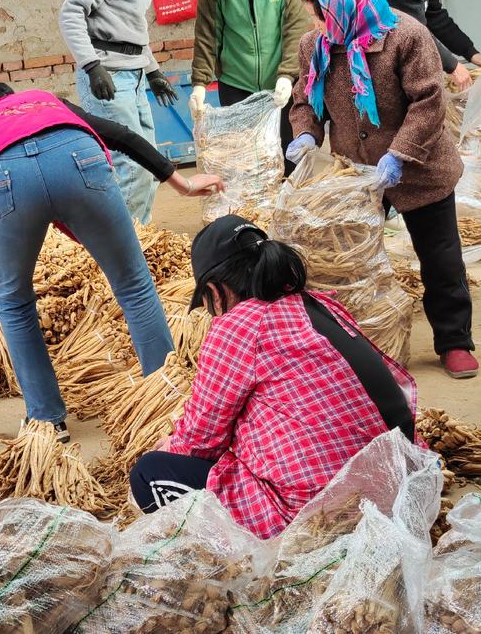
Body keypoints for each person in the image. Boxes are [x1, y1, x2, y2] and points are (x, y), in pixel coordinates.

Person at [0, 83, 224, 443]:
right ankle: (168, 400)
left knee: (15, 304)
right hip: (79, 161)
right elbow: (121, 136)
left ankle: (48, 422)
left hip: (7, 182)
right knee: (134, 284)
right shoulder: (43, 102)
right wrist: (182, 184)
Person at [129, 214, 418, 539]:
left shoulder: (239, 325)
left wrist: (172, 445)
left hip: (326, 513)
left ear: (215, 290)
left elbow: (201, 439)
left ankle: (260, 552)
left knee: (149, 474)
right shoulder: (319, 304)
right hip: (399, 482)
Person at [285, 0, 476, 379]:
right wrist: (304, 134)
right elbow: (304, 99)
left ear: (340, 6)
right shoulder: (315, 45)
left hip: (420, 166)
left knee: (440, 259)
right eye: (313, 17)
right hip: (355, 172)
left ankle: (454, 341)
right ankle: (362, 342)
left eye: (322, 15)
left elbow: (429, 102)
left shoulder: (404, 35)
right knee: (351, 259)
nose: (317, 25)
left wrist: (399, 154)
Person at [59, 0, 178, 225]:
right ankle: (125, 250)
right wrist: (91, 66)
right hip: (109, 76)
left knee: (150, 163)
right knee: (129, 167)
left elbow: (134, 25)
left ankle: (139, 238)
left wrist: (153, 71)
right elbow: (71, 14)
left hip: (134, 74)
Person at [189, 0, 310, 175]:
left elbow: (295, 23)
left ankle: (287, 213)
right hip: (236, 83)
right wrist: (199, 83)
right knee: (245, 159)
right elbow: (208, 30)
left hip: (281, 85)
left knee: (287, 153)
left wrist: (286, 74)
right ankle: (252, 217)